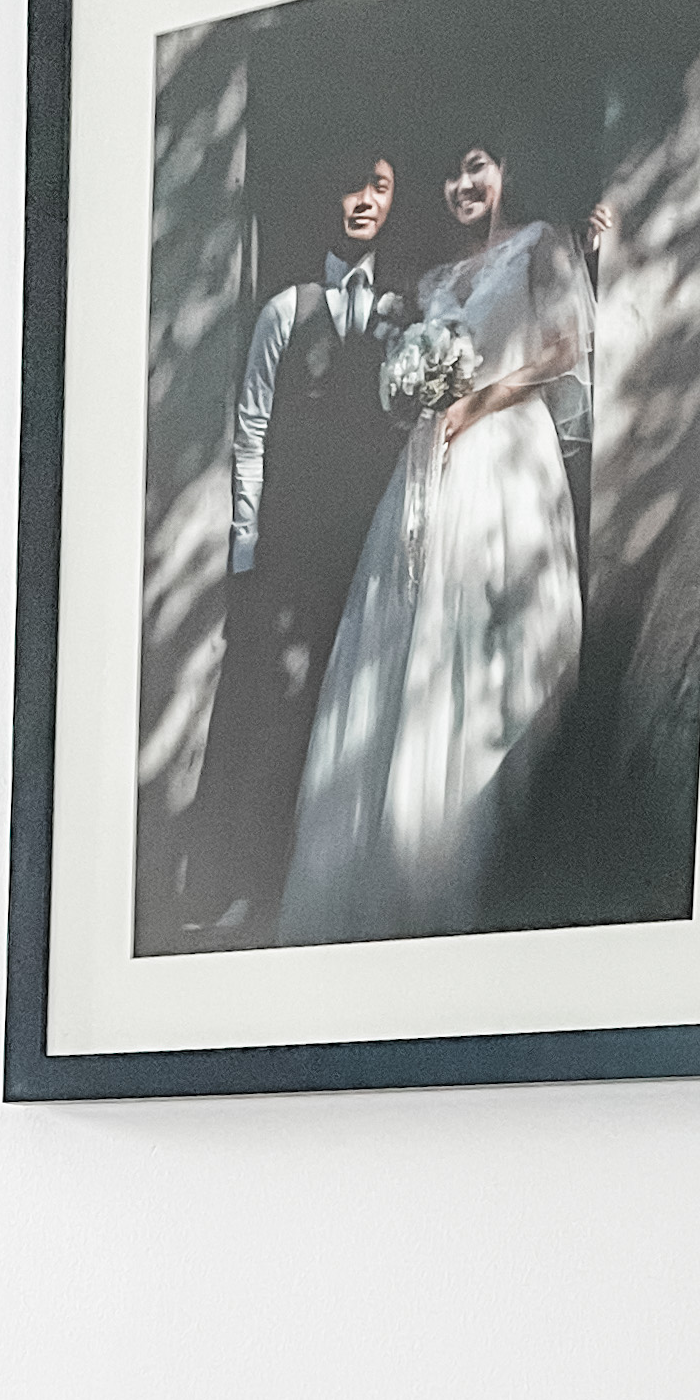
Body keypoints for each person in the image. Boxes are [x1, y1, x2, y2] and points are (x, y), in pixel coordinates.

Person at [280, 143, 613, 944]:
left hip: (503, 458)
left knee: (489, 628)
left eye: (478, 168)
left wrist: (479, 401)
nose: (463, 187)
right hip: (430, 467)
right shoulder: (430, 282)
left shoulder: (540, 245)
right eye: (452, 176)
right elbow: (408, 385)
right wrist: (419, 395)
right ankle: (392, 861)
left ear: (506, 170)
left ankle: (482, 859)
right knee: (405, 633)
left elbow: (566, 347)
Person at [180, 144, 412, 939]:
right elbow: (249, 433)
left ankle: (326, 892)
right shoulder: (286, 309)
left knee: (346, 711)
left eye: (377, 187)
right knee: (274, 714)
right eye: (350, 184)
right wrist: (247, 550)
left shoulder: (400, 317)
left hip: (363, 549)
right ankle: (245, 885)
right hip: (290, 553)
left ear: (392, 200)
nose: (362, 201)